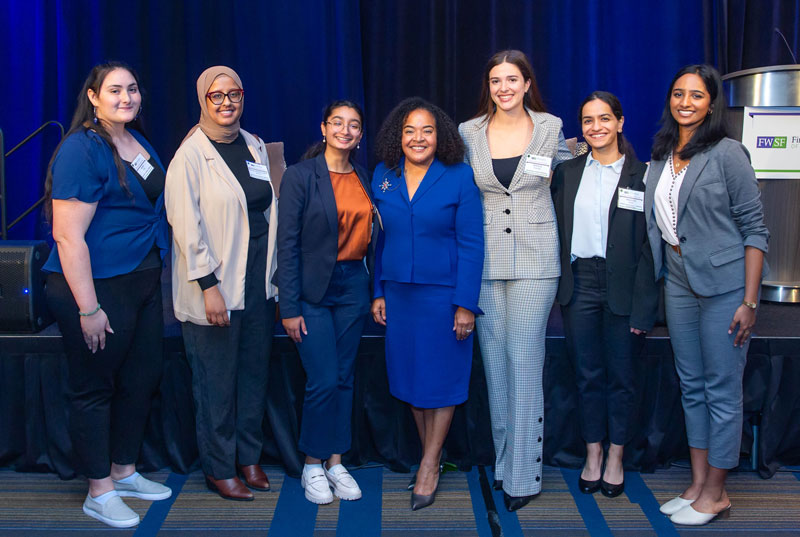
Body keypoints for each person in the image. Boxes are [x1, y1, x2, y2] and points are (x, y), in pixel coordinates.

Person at [43, 61, 172, 528]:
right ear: (94, 97)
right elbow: (67, 236)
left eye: (133, 89)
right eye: (114, 90)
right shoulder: (82, 148)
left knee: (141, 380)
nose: (126, 98)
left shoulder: (136, 142)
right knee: (94, 386)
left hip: (140, 279)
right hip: (95, 287)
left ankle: (124, 470)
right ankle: (99, 490)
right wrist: (89, 308)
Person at [644, 64, 768, 526]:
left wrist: (750, 303)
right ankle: (697, 485)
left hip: (725, 287)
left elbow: (755, 231)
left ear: (712, 103)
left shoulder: (728, 153)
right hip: (677, 282)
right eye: (678, 93)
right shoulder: (661, 153)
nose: (686, 102)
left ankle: (717, 493)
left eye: (697, 95)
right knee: (692, 387)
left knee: (721, 389)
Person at [458, 49, 572, 511]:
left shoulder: (551, 127)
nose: (503, 88)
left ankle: (525, 474)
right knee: (496, 368)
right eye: (495, 81)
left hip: (535, 261)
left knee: (524, 364)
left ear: (527, 83)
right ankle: (505, 465)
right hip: (485, 263)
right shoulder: (469, 132)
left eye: (512, 79)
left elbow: (570, 177)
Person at [165, 66, 279, 501]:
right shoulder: (190, 155)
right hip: (211, 282)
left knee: (253, 372)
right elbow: (185, 227)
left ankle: (249, 457)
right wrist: (209, 285)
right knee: (216, 380)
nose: (227, 102)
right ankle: (219, 466)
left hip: (255, 278)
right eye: (217, 96)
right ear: (203, 100)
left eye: (234, 94)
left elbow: (267, 207)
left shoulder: (252, 144)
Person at [371, 97, 484, 511]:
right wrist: (378, 291)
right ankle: (429, 455)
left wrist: (465, 304)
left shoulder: (458, 177)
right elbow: (379, 240)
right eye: (410, 131)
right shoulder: (383, 175)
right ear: (397, 137)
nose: (418, 138)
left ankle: (430, 464)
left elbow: (473, 245)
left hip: (444, 297)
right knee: (412, 381)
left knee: (442, 381)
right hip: (399, 296)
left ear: (441, 137)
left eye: (427, 130)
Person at [551, 91, 659, 498]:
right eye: (587, 121)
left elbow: (651, 248)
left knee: (622, 378)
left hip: (624, 286)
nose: (595, 127)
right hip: (580, 283)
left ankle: (616, 456)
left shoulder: (642, 175)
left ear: (620, 122)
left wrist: (645, 307)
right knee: (587, 375)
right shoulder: (567, 173)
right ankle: (592, 453)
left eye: (604, 119)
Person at [275, 100, 373, 505]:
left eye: (353, 125)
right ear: (323, 128)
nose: (345, 130)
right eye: (338, 123)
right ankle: (312, 464)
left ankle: (336, 461)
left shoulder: (364, 177)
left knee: (345, 377)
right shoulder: (300, 176)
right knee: (323, 378)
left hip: (353, 287)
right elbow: (288, 244)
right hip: (312, 290)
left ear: (360, 134)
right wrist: (290, 306)